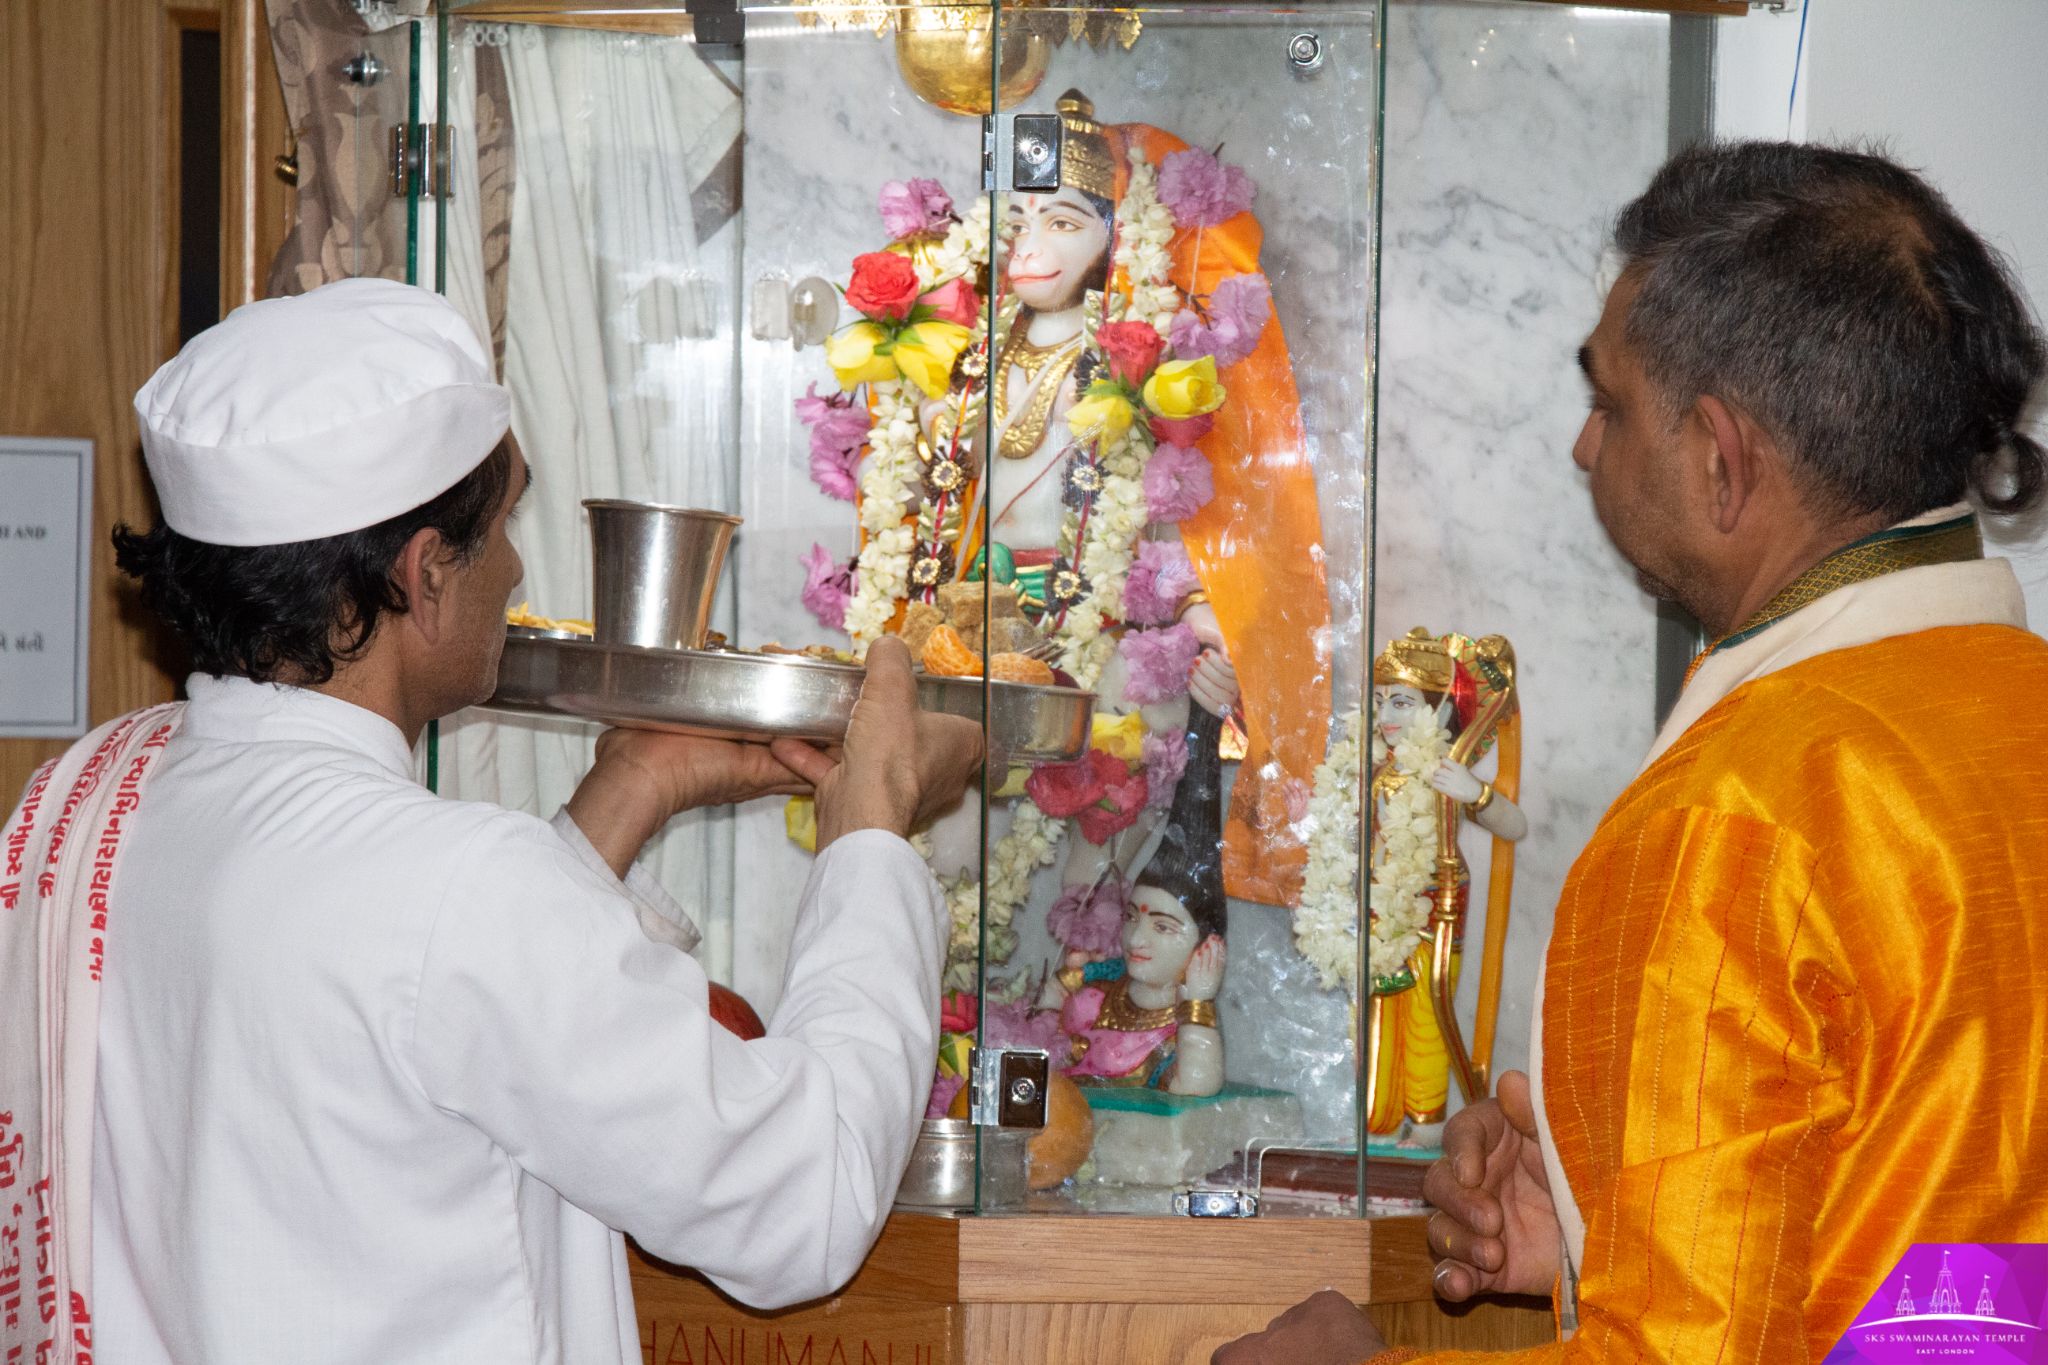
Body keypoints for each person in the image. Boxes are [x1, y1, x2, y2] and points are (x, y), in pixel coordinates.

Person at [0, 278, 982, 1365]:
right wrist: (872, 830)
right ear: (424, 575)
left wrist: (633, 787)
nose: (514, 570)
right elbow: (803, 1197)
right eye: (505, 524)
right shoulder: (452, 892)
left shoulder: (78, 800)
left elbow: (416, 1017)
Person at [1217, 141, 2048, 1362]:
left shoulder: (1734, 816)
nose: (1582, 448)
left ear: (1719, 459)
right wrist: (1600, 1227)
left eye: (1607, 405)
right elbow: (1968, 1273)